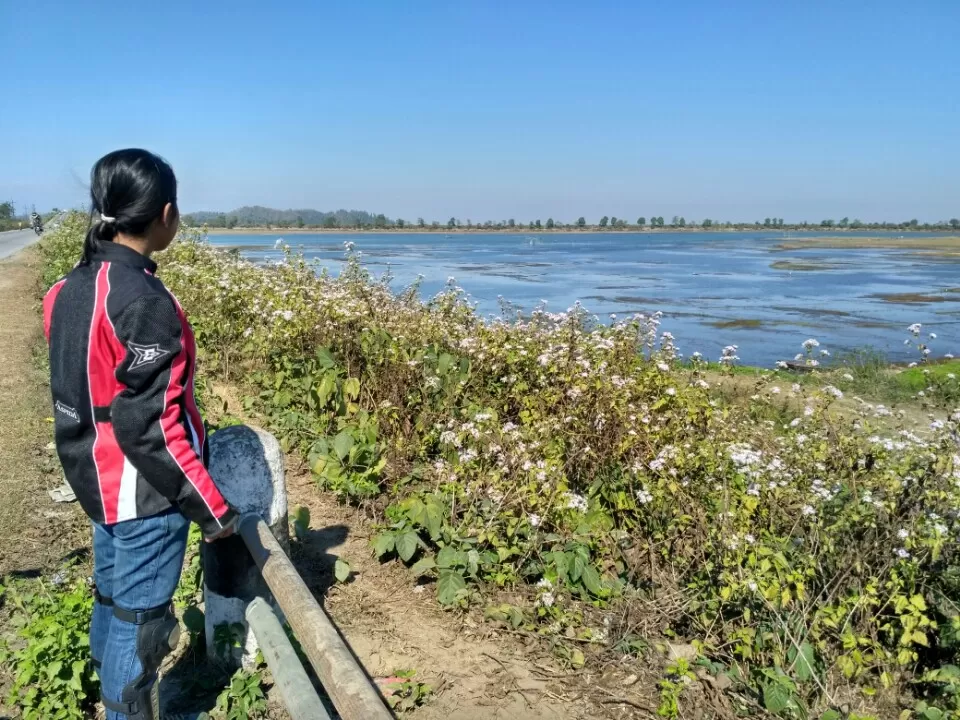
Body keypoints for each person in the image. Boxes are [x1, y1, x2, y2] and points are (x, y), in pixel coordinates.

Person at [43, 149, 238, 720]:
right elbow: (149, 425)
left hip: (94, 480)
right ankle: (123, 710)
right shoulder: (146, 303)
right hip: (144, 492)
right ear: (166, 215)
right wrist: (212, 510)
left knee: (112, 600)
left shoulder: (67, 287)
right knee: (141, 625)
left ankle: (105, 698)